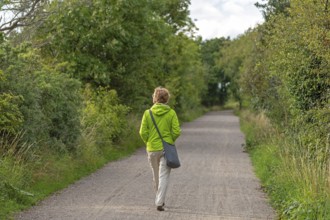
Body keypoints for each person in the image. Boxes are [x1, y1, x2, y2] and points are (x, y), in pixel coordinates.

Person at [139, 87, 181, 211]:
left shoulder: (148, 113)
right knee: (164, 176)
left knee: (156, 175)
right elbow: (176, 131)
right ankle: (159, 201)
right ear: (166, 99)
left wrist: (148, 141)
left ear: (155, 98)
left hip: (151, 149)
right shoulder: (171, 113)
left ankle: (159, 199)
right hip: (165, 149)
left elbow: (142, 132)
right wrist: (170, 141)